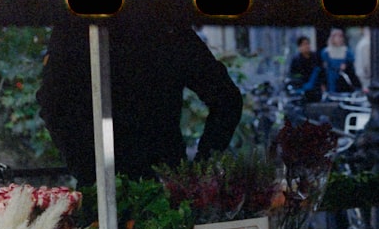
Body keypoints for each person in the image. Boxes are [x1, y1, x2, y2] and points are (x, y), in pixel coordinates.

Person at [37, 21, 243, 185]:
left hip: (134, 184)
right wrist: (198, 169)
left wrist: (85, 167)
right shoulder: (166, 29)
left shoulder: (76, 28)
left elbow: (52, 104)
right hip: (159, 182)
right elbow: (227, 100)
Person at [319, 28, 359, 94]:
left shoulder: (347, 51)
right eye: (337, 36)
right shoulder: (326, 52)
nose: (340, 38)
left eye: (341, 36)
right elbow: (323, 69)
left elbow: (353, 63)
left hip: (343, 80)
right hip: (331, 80)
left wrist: (347, 65)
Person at [287, 35, 323, 102]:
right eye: (304, 44)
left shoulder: (315, 57)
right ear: (299, 47)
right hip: (302, 88)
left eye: (308, 44)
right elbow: (293, 75)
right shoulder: (296, 60)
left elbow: (321, 72)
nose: (307, 46)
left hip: (315, 89)